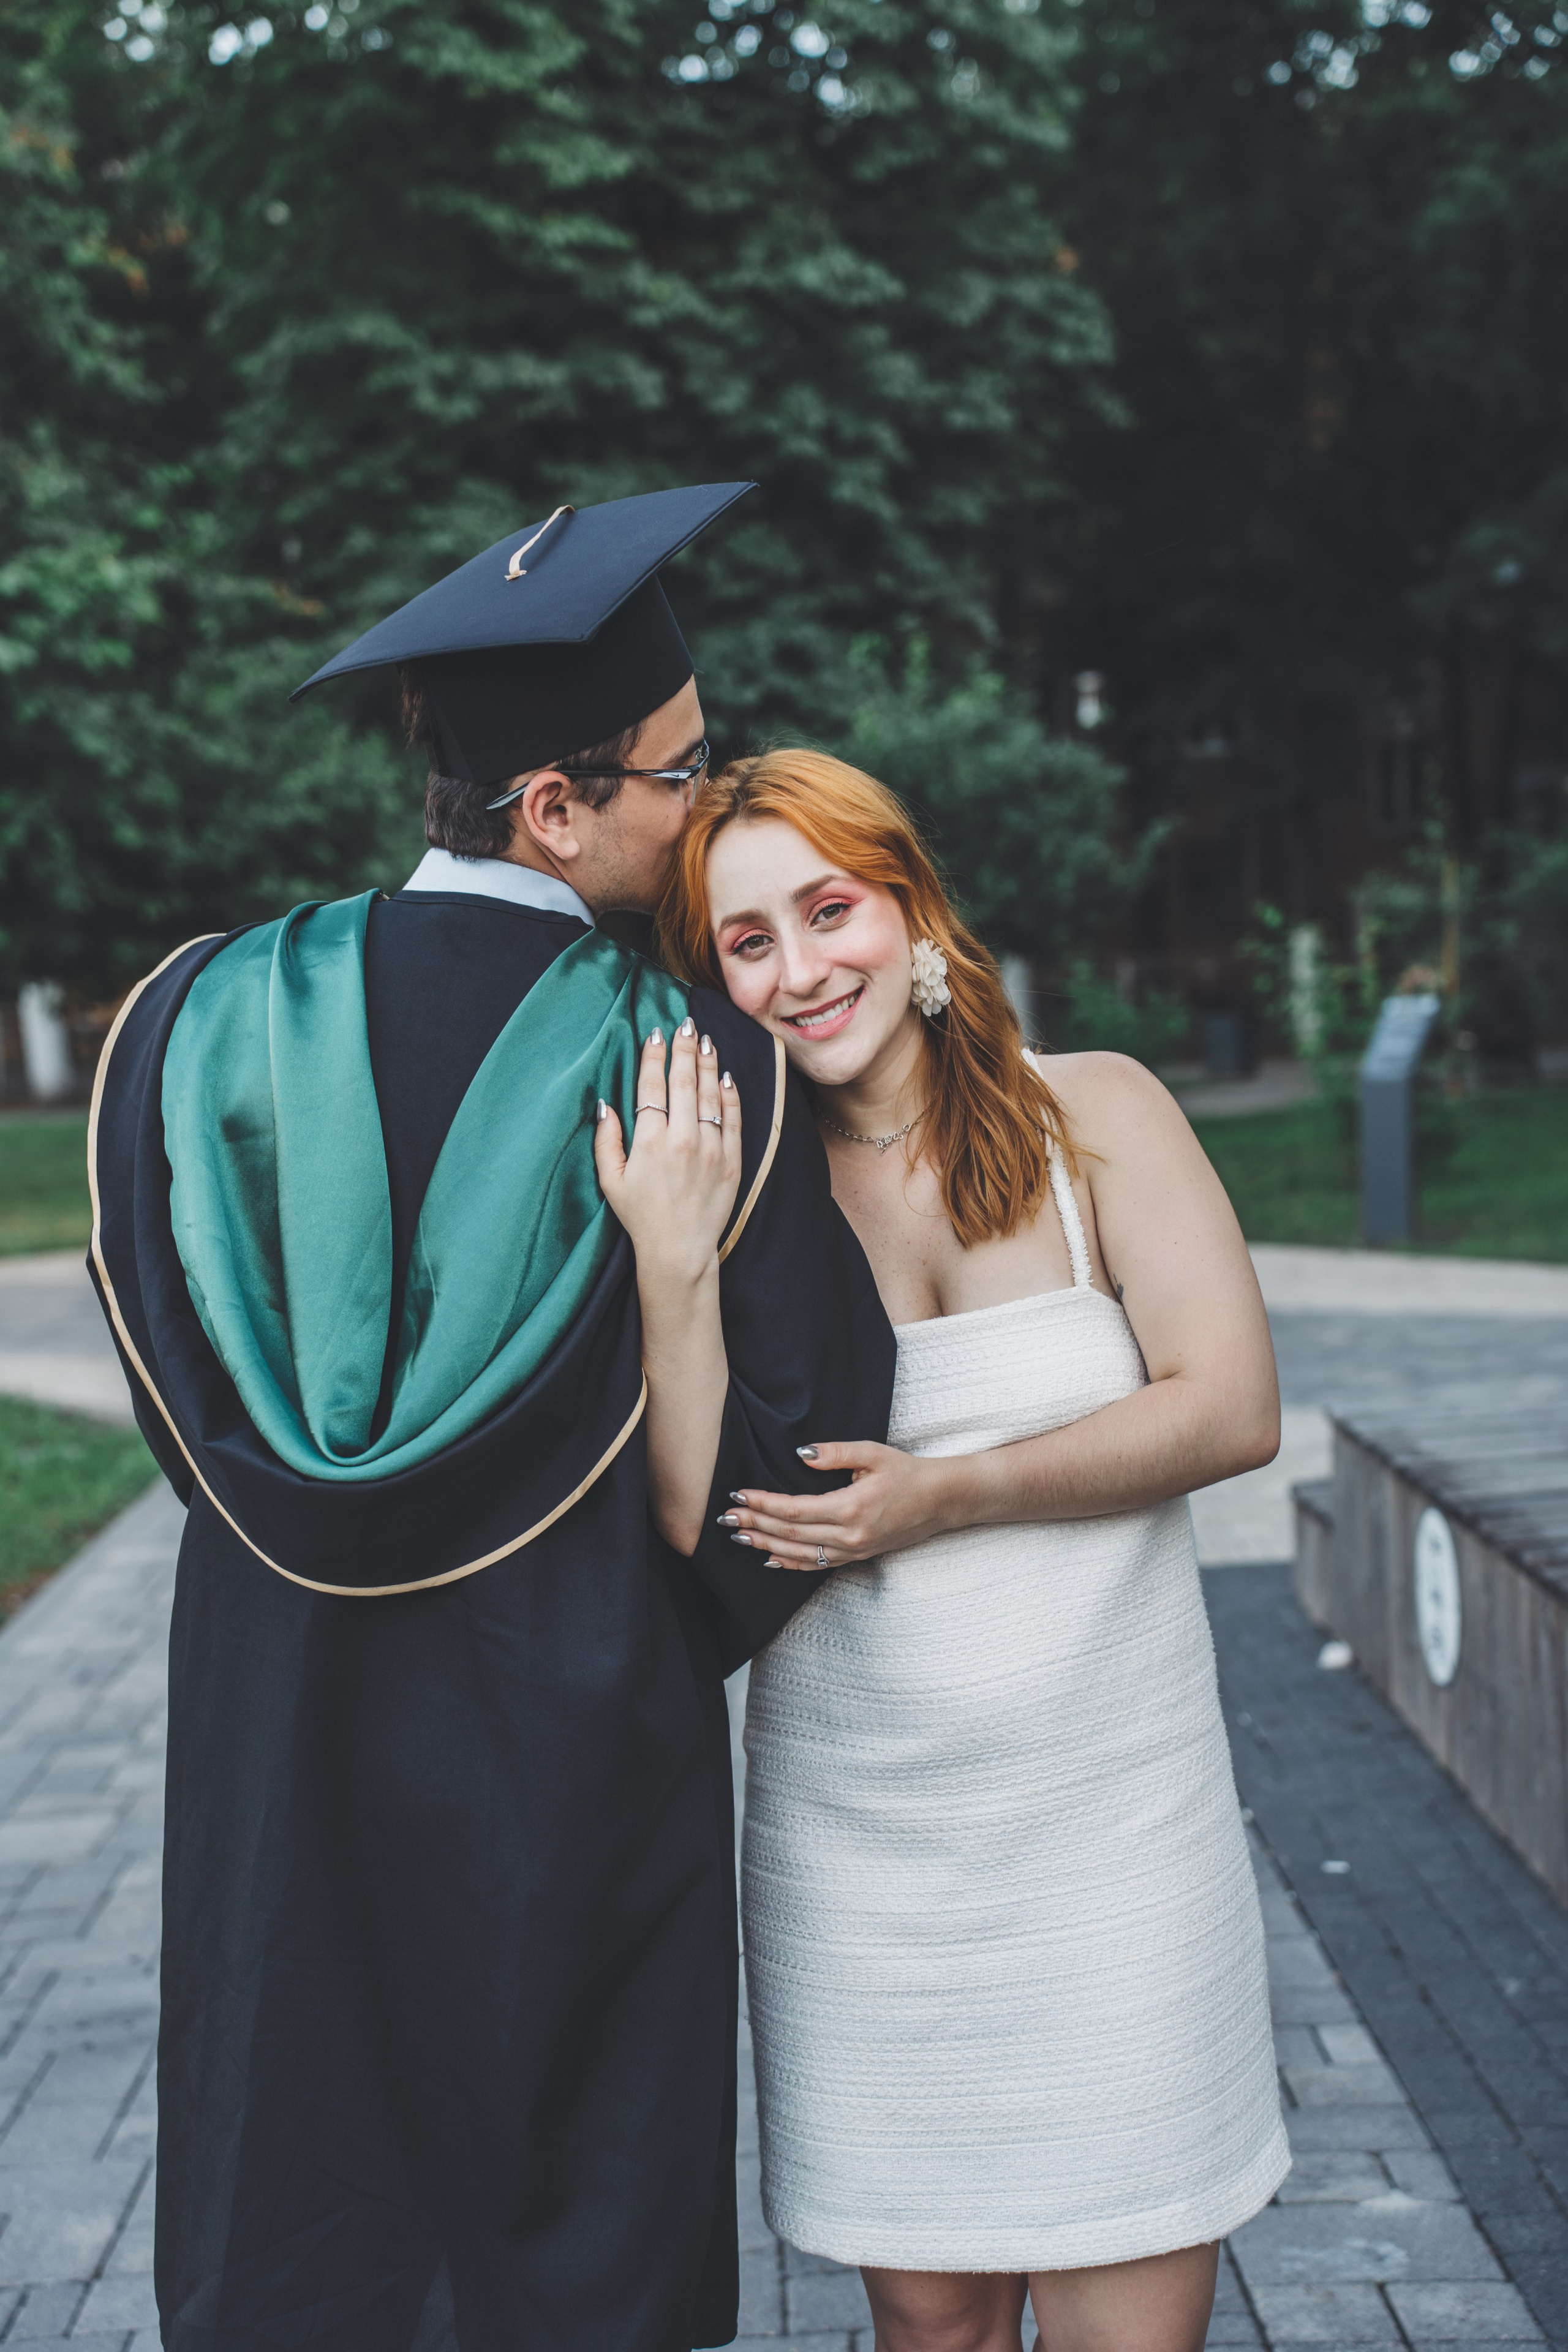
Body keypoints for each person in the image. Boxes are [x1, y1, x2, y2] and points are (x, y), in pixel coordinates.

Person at [87, 492, 894, 2352]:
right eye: (682, 777)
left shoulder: (196, 1024)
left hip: (278, 1744)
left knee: (308, 2218)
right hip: (573, 1771)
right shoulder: (704, 1073)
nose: (710, 808)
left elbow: (177, 1402)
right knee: (567, 2251)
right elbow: (779, 1503)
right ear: (556, 805)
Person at [651, 747, 1291, 2352]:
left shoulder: (1103, 1113)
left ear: (907, 903)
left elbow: (1231, 1409)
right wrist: (668, 1267)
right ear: (713, 979)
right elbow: (681, 1516)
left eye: (828, 907)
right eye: (748, 941)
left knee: (1124, 2309)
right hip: (857, 1847)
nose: (802, 969)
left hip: (1113, 1832)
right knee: (928, 2321)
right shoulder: (740, 1200)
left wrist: (945, 1493)